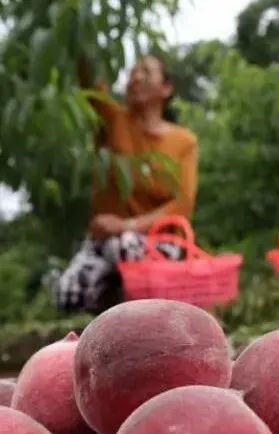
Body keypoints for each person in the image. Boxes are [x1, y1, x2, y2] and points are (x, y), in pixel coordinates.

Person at [47, 54, 199, 313]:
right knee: (68, 294)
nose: (136, 77)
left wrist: (126, 226)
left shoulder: (183, 141)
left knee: (125, 245)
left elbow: (182, 204)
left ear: (166, 88)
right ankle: (110, 298)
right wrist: (82, 42)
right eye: (132, 72)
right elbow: (89, 77)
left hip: (158, 244)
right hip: (105, 242)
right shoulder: (114, 121)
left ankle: (139, 306)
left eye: (146, 72)